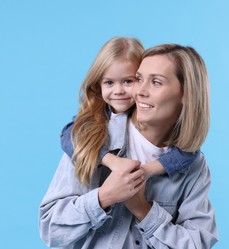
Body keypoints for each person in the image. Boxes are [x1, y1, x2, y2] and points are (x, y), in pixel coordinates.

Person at [39, 43, 218, 249]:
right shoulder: (92, 139)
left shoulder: (193, 167)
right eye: (139, 79)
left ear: (186, 93)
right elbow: (50, 229)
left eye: (156, 82)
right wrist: (104, 197)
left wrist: (143, 209)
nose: (140, 92)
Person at [60, 37, 199, 186]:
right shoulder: (94, 124)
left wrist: (147, 170)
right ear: (98, 85)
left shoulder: (152, 118)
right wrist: (111, 160)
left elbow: (189, 151)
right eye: (109, 82)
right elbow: (69, 135)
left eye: (128, 81)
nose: (118, 91)